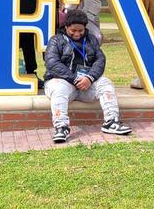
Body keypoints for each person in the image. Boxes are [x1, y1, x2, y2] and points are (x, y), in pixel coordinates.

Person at [43, 9, 132, 143]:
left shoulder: (91, 40)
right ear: (66, 26)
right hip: (63, 82)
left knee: (106, 83)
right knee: (59, 89)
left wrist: (90, 78)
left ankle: (111, 122)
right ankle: (61, 127)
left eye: (81, 30)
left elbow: (100, 60)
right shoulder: (56, 40)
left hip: (86, 84)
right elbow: (52, 63)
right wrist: (74, 79)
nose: (77, 34)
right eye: (73, 30)